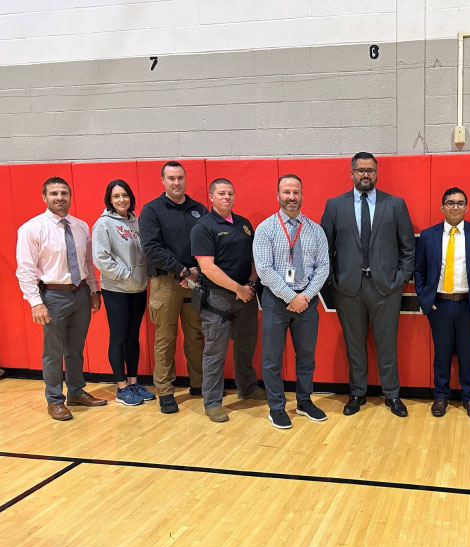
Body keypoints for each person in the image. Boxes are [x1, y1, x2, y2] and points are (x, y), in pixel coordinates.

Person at [320, 152, 415, 417]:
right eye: (360, 170)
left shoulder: (394, 204)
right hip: (348, 289)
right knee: (354, 345)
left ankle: (392, 395)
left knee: (387, 345)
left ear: (377, 173)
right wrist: (333, 281)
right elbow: (323, 248)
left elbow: (408, 247)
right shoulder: (334, 205)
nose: (365, 175)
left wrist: (400, 278)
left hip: (386, 288)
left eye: (370, 170)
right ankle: (357, 393)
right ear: (351, 173)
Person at [16, 177, 105, 420]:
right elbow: (25, 270)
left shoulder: (80, 226)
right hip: (53, 295)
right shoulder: (31, 228)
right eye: (54, 193)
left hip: (80, 294)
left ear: (70, 196)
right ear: (44, 197)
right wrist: (36, 302)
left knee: (75, 349)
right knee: (53, 352)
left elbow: (87, 262)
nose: (59, 197)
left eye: (64, 193)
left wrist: (93, 290)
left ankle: (76, 391)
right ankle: (55, 400)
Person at [414, 187, 470, 419]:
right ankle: (441, 396)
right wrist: (424, 298)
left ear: (467, 208)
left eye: (460, 203)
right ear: (442, 208)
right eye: (450, 203)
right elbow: (419, 270)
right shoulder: (429, 235)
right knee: (441, 354)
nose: (455, 207)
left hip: (468, 305)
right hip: (439, 305)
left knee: (468, 354)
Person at [254, 174, 330, 429]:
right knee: (272, 359)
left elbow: (323, 269)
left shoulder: (315, 230)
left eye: (296, 192)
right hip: (276, 302)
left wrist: (305, 297)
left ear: (302, 195)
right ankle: (276, 407)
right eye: (286, 192)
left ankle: (304, 401)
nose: (291, 197)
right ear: (278, 196)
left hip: (307, 303)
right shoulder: (266, 229)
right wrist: (291, 297)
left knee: (306, 357)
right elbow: (264, 270)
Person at [190, 178, 263, 423]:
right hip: (217, 298)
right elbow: (208, 268)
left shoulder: (244, 224)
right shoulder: (203, 227)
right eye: (221, 193)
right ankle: (212, 402)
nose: (227, 197)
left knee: (246, 347)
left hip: (246, 295)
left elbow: (254, 257)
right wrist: (237, 289)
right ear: (211, 197)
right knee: (215, 352)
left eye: (230, 193)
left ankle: (248, 388)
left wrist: (250, 284)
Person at [139, 161, 207, 414]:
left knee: (195, 335)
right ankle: (165, 391)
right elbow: (152, 248)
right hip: (165, 282)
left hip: (194, 281)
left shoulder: (198, 209)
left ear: (185, 180)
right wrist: (181, 270)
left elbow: (206, 243)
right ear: (163, 181)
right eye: (171, 178)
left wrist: (196, 271)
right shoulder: (152, 210)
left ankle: (199, 384)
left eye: (180, 178)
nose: (176, 182)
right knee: (165, 338)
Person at [92, 179, 155, 406]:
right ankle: (121, 387)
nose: (122, 200)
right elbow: (100, 257)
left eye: (125, 195)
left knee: (133, 337)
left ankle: (134, 381)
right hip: (116, 289)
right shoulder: (103, 224)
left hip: (138, 287)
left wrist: (141, 276)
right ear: (109, 199)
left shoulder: (136, 221)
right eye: (117, 196)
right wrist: (125, 274)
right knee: (118, 337)